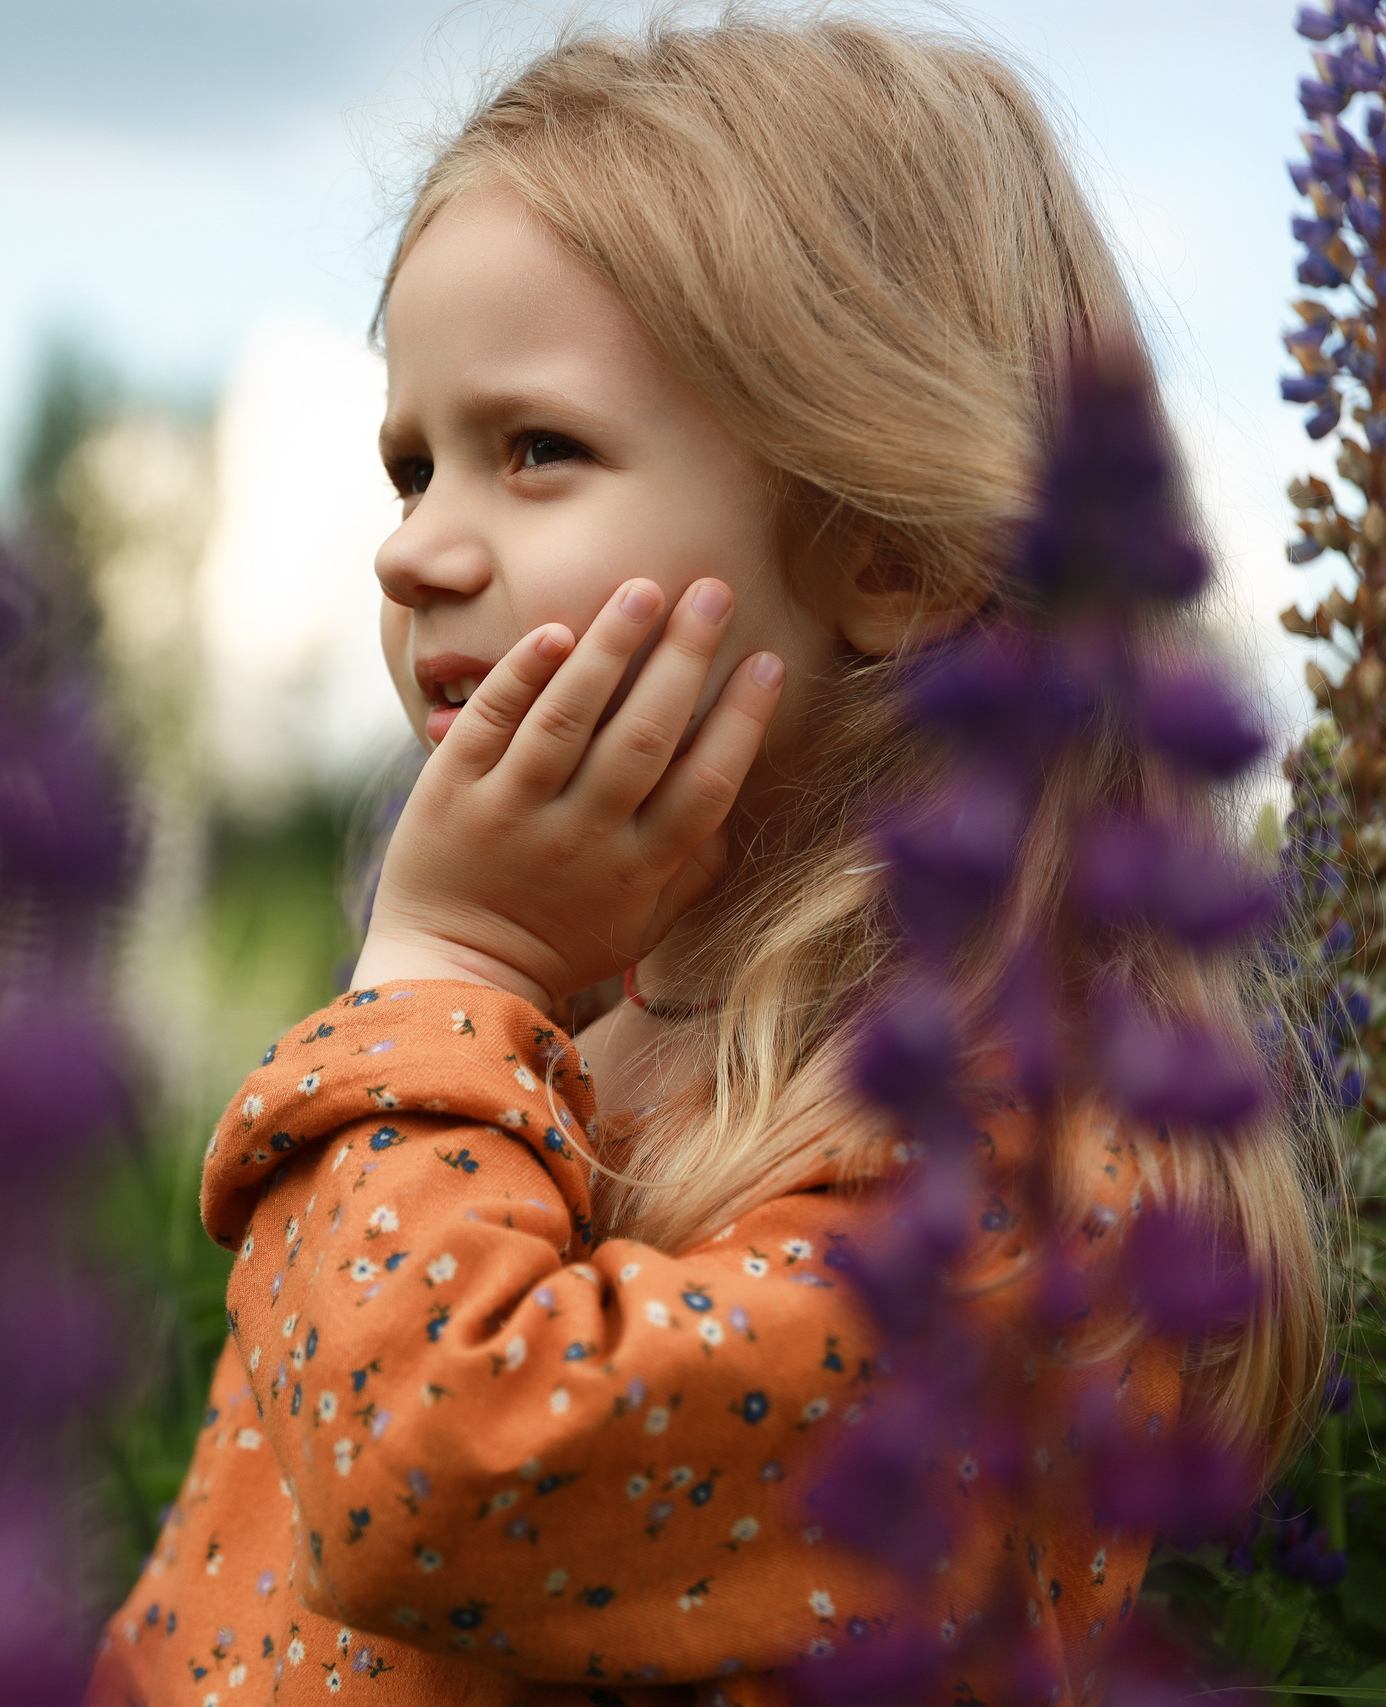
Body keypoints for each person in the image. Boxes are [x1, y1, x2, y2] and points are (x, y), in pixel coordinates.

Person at [85, 11, 1327, 1705]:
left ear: (886, 552)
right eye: (409, 465)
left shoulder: (1024, 1182)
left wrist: (446, 965)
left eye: (538, 450)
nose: (417, 550)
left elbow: (431, 1476)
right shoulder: (539, 1067)